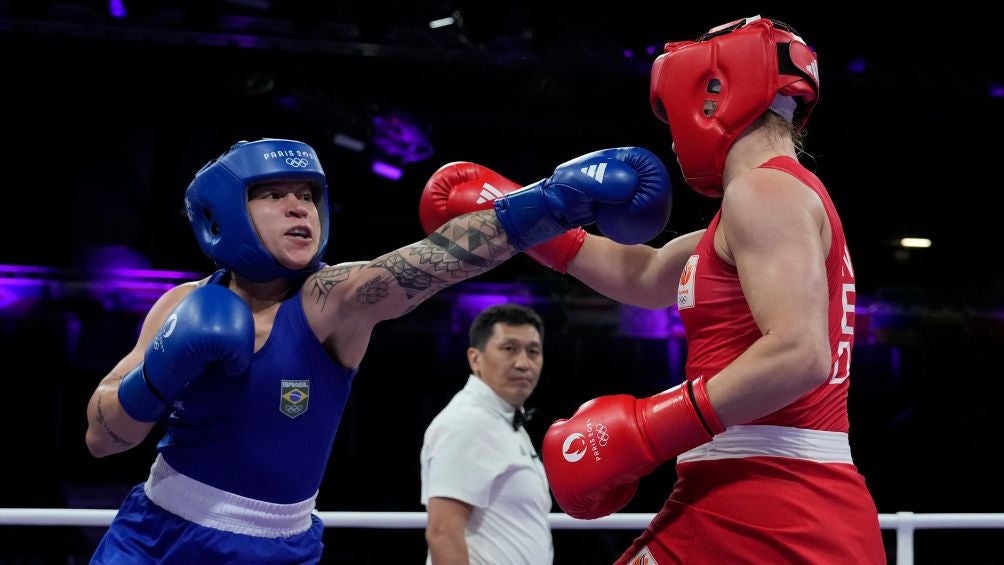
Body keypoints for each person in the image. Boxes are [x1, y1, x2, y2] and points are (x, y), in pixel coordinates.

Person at [419, 15, 885, 564]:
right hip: (763, 494)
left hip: (771, 499)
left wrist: (648, 429)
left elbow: (801, 353)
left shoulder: (762, 192)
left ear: (715, 92)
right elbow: (642, 274)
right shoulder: (769, 199)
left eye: (673, 109)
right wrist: (517, 213)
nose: (671, 132)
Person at [83, 137, 673, 563]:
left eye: (307, 195)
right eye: (273, 195)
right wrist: (159, 373)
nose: (299, 207)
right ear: (224, 217)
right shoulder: (183, 303)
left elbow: (429, 261)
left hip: (276, 549)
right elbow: (104, 436)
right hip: (151, 533)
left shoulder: (329, 300)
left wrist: (553, 201)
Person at [420, 303, 551, 565]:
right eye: (509, 349)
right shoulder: (467, 422)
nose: (523, 363)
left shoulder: (505, 421)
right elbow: (443, 533)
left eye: (533, 351)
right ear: (475, 359)